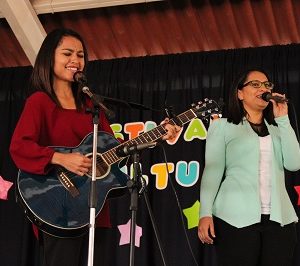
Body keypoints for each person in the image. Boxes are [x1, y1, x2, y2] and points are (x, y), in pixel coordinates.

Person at [9, 28, 180, 266]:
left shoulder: (90, 105)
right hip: (58, 207)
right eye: (67, 53)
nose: (75, 60)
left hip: (95, 211)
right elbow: (19, 146)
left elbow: (117, 150)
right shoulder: (40, 102)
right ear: (50, 58)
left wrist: (160, 134)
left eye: (80, 55)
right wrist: (61, 158)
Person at [198, 69, 300, 266]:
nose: (263, 88)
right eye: (255, 84)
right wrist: (205, 213)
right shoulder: (222, 127)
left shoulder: (279, 130)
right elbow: (212, 172)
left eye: (266, 85)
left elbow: (294, 164)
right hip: (234, 219)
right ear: (240, 93)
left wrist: (283, 119)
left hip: (280, 221)